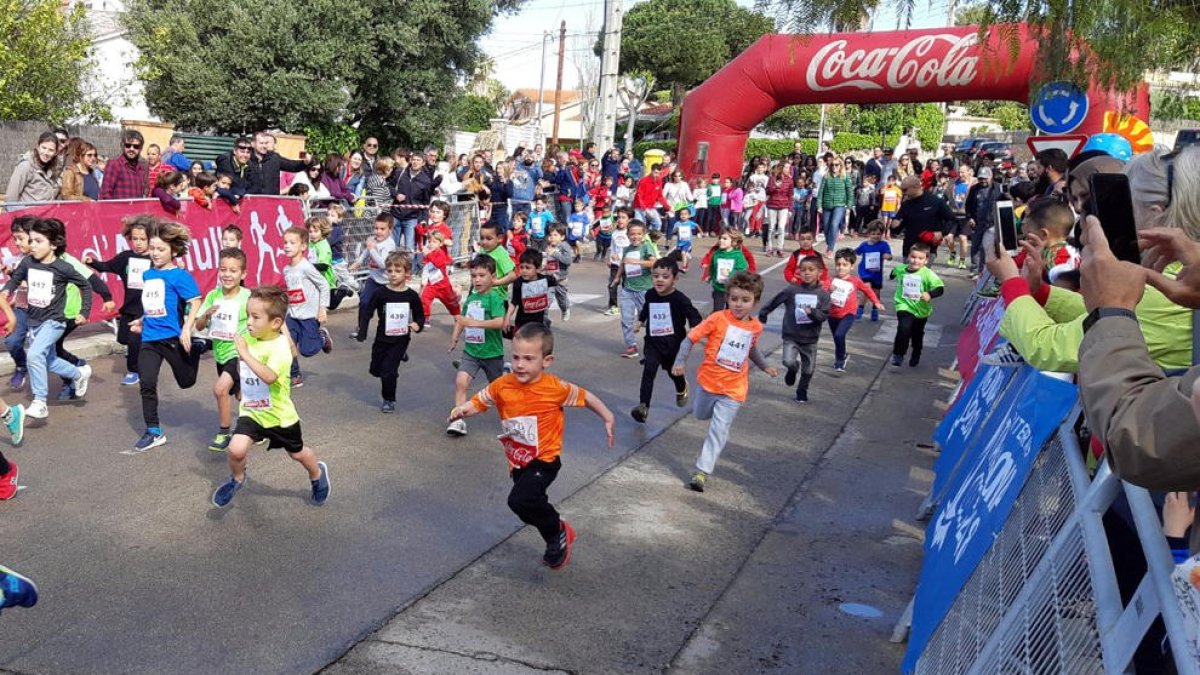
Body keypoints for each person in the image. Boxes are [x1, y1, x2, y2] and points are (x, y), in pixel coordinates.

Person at [448, 322, 615, 569]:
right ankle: (557, 533)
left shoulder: (554, 387)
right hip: (518, 460)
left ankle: (557, 532)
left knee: (520, 501)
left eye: (528, 358)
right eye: (515, 357)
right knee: (528, 506)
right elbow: (480, 401)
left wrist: (607, 417)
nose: (519, 364)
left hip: (545, 459)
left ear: (546, 361)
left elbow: (585, 396)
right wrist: (462, 409)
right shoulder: (502, 385)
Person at [210, 286, 331, 507]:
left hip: (279, 416)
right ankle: (237, 478)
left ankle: (316, 474)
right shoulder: (249, 336)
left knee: (297, 454)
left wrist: (245, 353)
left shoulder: (280, 347)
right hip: (253, 412)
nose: (248, 322)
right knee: (235, 449)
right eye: (248, 316)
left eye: (256, 317)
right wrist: (239, 385)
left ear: (275, 323)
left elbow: (269, 377)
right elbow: (242, 365)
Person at [673, 271, 778, 491]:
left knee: (719, 429)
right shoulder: (717, 319)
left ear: (755, 302)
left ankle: (702, 472)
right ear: (727, 298)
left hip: (734, 388)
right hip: (709, 382)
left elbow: (751, 349)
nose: (738, 304)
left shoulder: (755, 327)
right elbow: (691, 337)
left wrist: (765, 366)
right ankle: (712, 413)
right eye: (734, 299)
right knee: (700, 414)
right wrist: (679, 362)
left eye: (745, 300)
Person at [1, 217, 93, 421]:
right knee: (48, 360)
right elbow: (16, 278)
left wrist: (84, 312)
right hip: (35, 321)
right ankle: (79, 374)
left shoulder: (63, 267)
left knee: (34, 355)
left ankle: (40, 402)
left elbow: (86, 286)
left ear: (53, 244)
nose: (32, 245)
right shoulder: (28, 262)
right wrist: (8, 290)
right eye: (31, 240)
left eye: (38, 241)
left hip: (55, 321)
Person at [128, 218, 202, 451]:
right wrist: (142, 319)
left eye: (161, 249)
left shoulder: (179, 276)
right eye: (152, 249)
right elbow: (154, 304)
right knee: (147, 383)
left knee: (186, 381)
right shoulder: (148, 275)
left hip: (173, 337)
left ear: (174, 250)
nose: (155, 253)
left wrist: (187, 329)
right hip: (150, 337)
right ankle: (153, 431)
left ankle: (197, 349)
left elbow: (195, 301)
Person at [630, 256, 702, 423]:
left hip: (674, 345)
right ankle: (643, 406)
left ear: (675, 278)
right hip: (653, 343)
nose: (659, 280)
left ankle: (681, 386)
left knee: (672, 371)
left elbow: (694, 316)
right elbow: (646, 309)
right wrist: (640, 320)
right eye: (655, 276)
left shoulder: (680, 299)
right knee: (649, 370)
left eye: (665, 276)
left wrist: (695, 330)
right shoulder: (650, 294)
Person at [193, 248, 252, 451]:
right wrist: (206, 315)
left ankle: (224, 433)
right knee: (239, 395)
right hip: (221, 353)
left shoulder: (248, 297)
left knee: (220, 390)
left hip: (240, 354)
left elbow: (258, 321)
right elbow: (199, 327)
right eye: (223, 269)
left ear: (243, 274)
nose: (227, 274)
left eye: (233, 270)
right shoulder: (212, 295)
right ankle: (256, 427)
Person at [84, 216, 152, 386]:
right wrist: (93, 263)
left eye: (143, 239)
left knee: (135, 341)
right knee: (123, 339)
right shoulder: (126, 257)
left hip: (145, 308)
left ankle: (134, 371)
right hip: (129, 307)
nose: (138, 243)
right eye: (134, 239)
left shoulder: (156, 258)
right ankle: (141, 351)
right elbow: (107, 266)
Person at [356, 251, 425, 413]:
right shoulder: (380, 293)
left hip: (401, 339)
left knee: (388, 371)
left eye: (398, 271)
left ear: (407, 273)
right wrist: (363, 331)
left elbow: (420, 316)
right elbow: (368, 312)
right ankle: (393, 366)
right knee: (376, 369)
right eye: (390, 271)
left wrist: (417, 325)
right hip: (382, 337)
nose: (393, 275)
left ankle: (389, 399)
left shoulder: (411, 296)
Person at [446, 255, 507, 437]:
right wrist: (455, 337)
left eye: (482, 275)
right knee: (460, 382)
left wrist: (475, 324)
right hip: (471, 352)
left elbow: (499, 322)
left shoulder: (494, 298)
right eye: (473, 276)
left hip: (492, 353)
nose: (477, 280)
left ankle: (511, 421)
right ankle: (458, 421)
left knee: (499, 392)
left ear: (492, 276)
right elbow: (462, 319)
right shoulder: (471, 298)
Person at [759, 256, 829, 402]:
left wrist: (813, 312)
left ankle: (802, 390)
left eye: (811, 270)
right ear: (798, 272)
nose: (807, 273)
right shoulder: (792, 290)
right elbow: (775, 301)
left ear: (819, 272)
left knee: (808, 369)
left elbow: (824, 316)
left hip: (810, 338)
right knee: (787, 361)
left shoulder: (823, 295)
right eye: (803, 270)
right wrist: (764, 313)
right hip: (791, 335)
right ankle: (793, 368)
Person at [281, 227, 332, 388]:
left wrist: (322, 308)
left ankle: (322, 338)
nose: (287, 246)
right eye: (285, 242)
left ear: (303, 247)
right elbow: (292, 292)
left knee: (308, 350)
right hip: (293, 315)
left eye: (292, 243)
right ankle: (295, 375)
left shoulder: (306, 267)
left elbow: (323, 285)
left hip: (309, 315)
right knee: (286, 344)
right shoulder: (287, 269)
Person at [828, 248, 884, 372]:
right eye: (838, 265)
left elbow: (868, 290)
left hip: (848, 314)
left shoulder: (855, 281)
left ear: (851, 266)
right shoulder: (831, 280)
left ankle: (839, 360)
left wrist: (876, 302)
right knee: (837, 338)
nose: (841, 268)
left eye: (844, 265)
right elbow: (820, 291)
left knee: (839, 334)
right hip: (832, 314)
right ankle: (843, 354)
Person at [889, 243, 944, 367]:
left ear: (926, 260)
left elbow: (940, 288)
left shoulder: (928, 274)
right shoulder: (901, 268)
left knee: (917, 333)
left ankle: (916, 351)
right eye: (913, 257)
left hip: (921, 309)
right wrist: (892, 274)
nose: (916, 261)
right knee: (903, 328)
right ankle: (898, 354)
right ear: (908, 256)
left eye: (920, 258)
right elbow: (894, 272)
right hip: (903, 305)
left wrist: (930, 294)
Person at [349, 213, 398, 339]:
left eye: (382, 229)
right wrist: (359, 261)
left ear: (390, 229)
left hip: (387, 283)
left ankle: (394, 339)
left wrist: (372, 250)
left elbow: (383, 264)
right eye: (376, 228)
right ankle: (361, 329)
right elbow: (366, 251)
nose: (378, 232)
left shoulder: (390, 244)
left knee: (385, 312)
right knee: (364, 303)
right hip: (373, 280)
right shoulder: (372, 240)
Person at [616, 221, 658, 358]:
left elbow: (654, 263)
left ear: (644, 235)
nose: (635, 237)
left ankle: (656, 342)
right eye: (632, 234)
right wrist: (617, 278)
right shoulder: (627, 249)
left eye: (639, 234)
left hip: (644, 289)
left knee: (648, 320)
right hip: (628, 289)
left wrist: (637, 262)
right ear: (628, 235)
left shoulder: (646, 247)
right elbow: (623, 264)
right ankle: (631, 346)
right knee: (626, 319)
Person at [894, 175, 955, 260]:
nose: (902, 193)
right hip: (909, 248)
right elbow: (896, 229)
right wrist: (894, 225)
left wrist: (942, 232)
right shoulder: (906, 204)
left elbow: (951, 219)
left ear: (915, 187)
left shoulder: (935, 201)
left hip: (927, 249)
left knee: (921, 273)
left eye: (905, 190)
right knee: (908, 273)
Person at [506, 248, 559, 333]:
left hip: (538, 326)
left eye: (528, 268)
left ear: (537, 268)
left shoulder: (545, 280)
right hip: (521, 324)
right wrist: (507, 318)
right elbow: (513, 302)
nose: (524, 271)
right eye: (521, 267)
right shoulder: (518, 283)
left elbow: (556, 281)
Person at [964, 167, 1003, 277]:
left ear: (991, 177)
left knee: (984, 247)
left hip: (992, 223)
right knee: (975, 246)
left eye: (985, 178)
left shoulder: (998, 188)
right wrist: (970, 217)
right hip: (977, 222)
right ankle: (975, 269)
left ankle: (982, 270)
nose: (983, 181)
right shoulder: (974, 189)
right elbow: (968, 205)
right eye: (981, 179)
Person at [6, 132, 61, 205]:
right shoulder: (25, 166)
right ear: (38, 146)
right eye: (43, 148)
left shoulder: (53, 168)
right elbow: (11, 198)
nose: (46, 153)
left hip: (45, 214)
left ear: (56, 152)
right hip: (27, 214)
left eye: (51, 150)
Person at [853, 220, 893, 322]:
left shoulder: (883, 245)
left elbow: (889, 255)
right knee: (866, 290)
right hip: (865, 272)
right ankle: (860, 309)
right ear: (869, 234)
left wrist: (887, 256)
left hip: (876, 273)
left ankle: (875, 309)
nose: (876, 236)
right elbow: (856, 252)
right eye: (873, 234)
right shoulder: (864, 245)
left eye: (878, 234)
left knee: (876, 292)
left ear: (882, 234)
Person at [816, 156, 854, 256]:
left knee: (834, 225)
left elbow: (850, 193)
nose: (834, 167)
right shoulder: (826, 176)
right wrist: (819, 205)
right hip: (826, 205)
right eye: (832, 165)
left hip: (839, 205)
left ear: (840, 166)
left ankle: (830, 249)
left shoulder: (845, 177)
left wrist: (849, 207)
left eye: (836, 165)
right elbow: (821, 192)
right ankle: (830, 243)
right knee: (826, 226)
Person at [419, 230, 460, 320]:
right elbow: (425, 265)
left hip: (443, 285)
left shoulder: (441, 253)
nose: (431, 244)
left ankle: (458, 315)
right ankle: (425, 318)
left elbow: (438, 263)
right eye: (430, 241)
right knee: (424, 299)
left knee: (451, 303)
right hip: (432, 284)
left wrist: (428, 254)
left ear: (441, 244)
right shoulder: (429, 253)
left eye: (434, 242)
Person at [707, 228, 750, 312]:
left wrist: (730, 273)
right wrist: (710, 276)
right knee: (717, 310)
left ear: (733, 241)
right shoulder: (717, 254)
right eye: (720, 238)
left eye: (725, 239)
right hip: (719, 288)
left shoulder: (737, 255)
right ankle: (718, 323)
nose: (721, 240)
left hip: (733, 289)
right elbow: (712, 267)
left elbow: (742, 270)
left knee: (731, 311)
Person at [100, 130, 150, 200]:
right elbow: (105, 195)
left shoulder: (140, 168)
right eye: (128, 145)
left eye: (136, 146)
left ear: (140, 148)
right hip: (118, 210)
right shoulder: (114, 165)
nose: (131, 149)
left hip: (137, 210)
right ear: (123, 146)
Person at [477, 221, 517, 302]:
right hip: (481, 294)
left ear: (499, 238)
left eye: (488, 238)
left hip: (497, 297)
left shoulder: (501, 254)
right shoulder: (482, 250)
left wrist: (496, 282)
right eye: (482, 238)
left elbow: (512, 276)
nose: (484, 242)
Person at [544, 225, 573, 321]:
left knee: (562, 299)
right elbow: (546, 260)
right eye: (550, 235)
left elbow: (568, 260)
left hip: (561, 279)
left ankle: (565, 309)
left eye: (555, 235)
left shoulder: (564, 246)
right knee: (546, 300)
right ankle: (544, 318)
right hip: (549, 278)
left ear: (562, 237)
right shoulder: (548, 247)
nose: (552, 237)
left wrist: (555, 254)